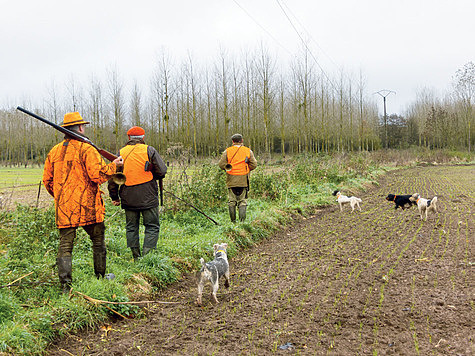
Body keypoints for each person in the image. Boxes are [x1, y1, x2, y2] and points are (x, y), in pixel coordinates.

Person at [43, 112, 123, 294]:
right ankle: (100, 278)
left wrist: (61, 197)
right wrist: (115, 165)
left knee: (65, 246)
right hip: (88, 206)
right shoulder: (87, 149)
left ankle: (65, 287)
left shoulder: (54, 151)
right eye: (83, 126)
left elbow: (47, 180)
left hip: (65, 209)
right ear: (80, 128)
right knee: (98, 240)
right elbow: (98, 175)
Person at [108, 126, 167, 261]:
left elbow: (113, 178)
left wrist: (114, 197)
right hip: (148, 196)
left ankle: (136, 257)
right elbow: (162, 171)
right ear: (143, 137)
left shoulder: (121, 153)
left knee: (131, 227)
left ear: (129, 138)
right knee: (152, 226)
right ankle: (147, 257)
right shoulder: (149, 150)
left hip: (128, 198)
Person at [218, 133, 257, 222]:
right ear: (242, 140)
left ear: (233, 141)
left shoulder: (227, 151)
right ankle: (242, 222)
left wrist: (228, 169)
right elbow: (254, 165)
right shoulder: (248, 151)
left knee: (232, 201)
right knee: (242, 201)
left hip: (231, 180)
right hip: (243, 179)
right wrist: (246, 169)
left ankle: (233, 222)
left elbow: (221, 165)